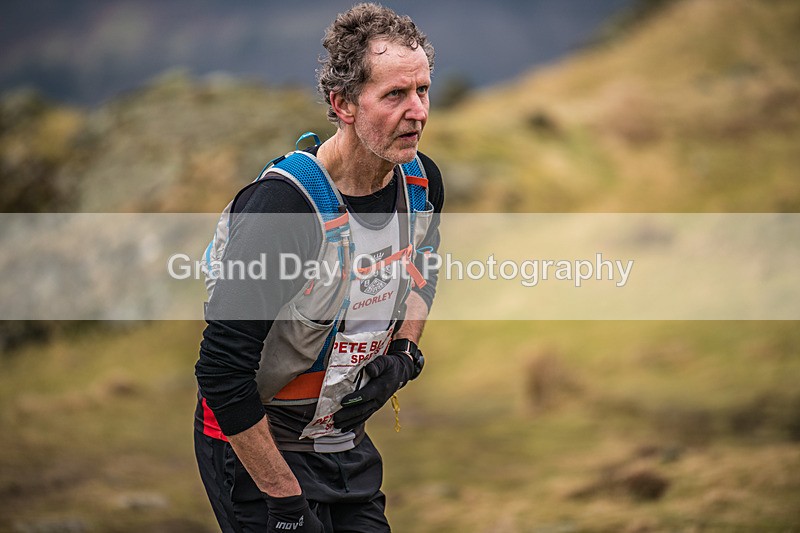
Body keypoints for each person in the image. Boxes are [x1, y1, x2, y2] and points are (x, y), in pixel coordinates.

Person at [194, 3, 444, 531]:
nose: (418, 110)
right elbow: (221, 374)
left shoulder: (420, 183)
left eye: (422, 89)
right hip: (257, 448)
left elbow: (425, 264)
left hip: (341, 441)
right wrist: (284, 501)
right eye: (395, 94)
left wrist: (405, 352)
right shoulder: (283, 208)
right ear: (343, 104)